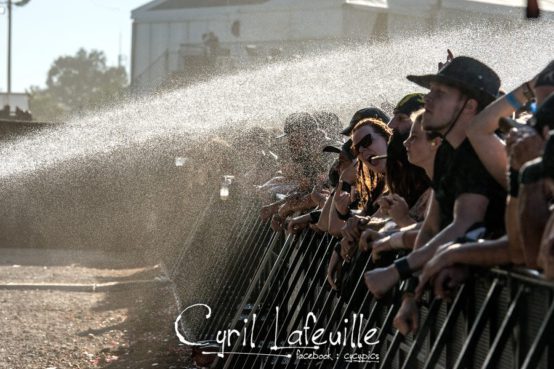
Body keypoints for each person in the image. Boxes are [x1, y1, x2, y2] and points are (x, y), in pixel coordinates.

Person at [365, 56, 506, 335]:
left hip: (503, 308)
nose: (427, 99)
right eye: (430, 91)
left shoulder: (476, 154)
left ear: (470, 106)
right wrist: (410, 296)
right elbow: (431, 228)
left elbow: (465, 224)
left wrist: (396, 272)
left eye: (439, 93)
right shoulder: (447, 156)